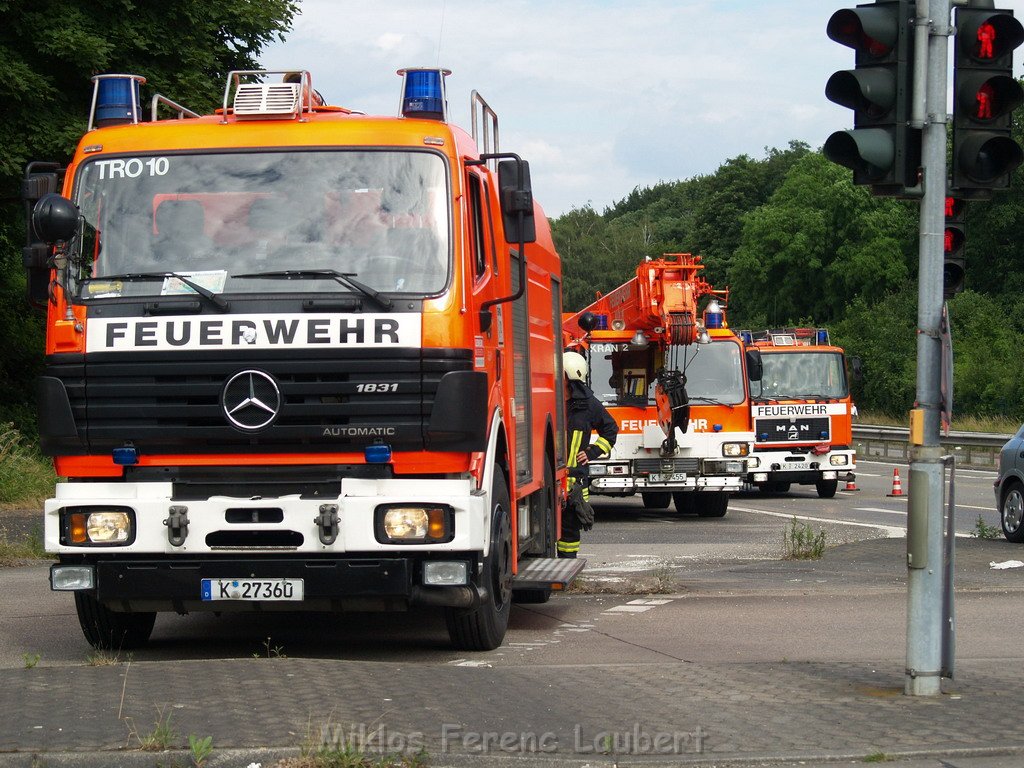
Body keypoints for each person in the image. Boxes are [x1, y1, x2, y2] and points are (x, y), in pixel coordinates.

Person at [558, 350, 618, 559]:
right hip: (551, 478)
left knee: (570, 528)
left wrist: (592, 451)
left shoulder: (588, 404)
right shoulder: (547, 399)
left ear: (566, 376)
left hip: (575, 479)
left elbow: (610, 429)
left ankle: (568, 564)